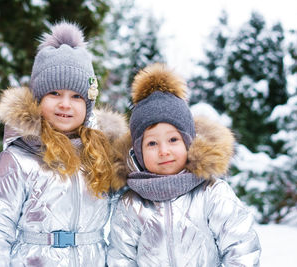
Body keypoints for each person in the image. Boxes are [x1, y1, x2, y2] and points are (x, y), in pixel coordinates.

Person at [0, 21, 127, 267]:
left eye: (76, 96)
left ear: (88, 105)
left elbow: (129, 217)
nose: (65, 104)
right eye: (54, 93)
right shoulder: (18, 160)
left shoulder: (101, 155)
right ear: (38, 99)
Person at [107, 63, 261, 266]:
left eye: (173, 140)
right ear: (138, 152)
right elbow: (121, 258)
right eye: (152, 143)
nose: (164, 151)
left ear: (189, 142)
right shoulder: (132, 204)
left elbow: (241, 248)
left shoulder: (211, 193)